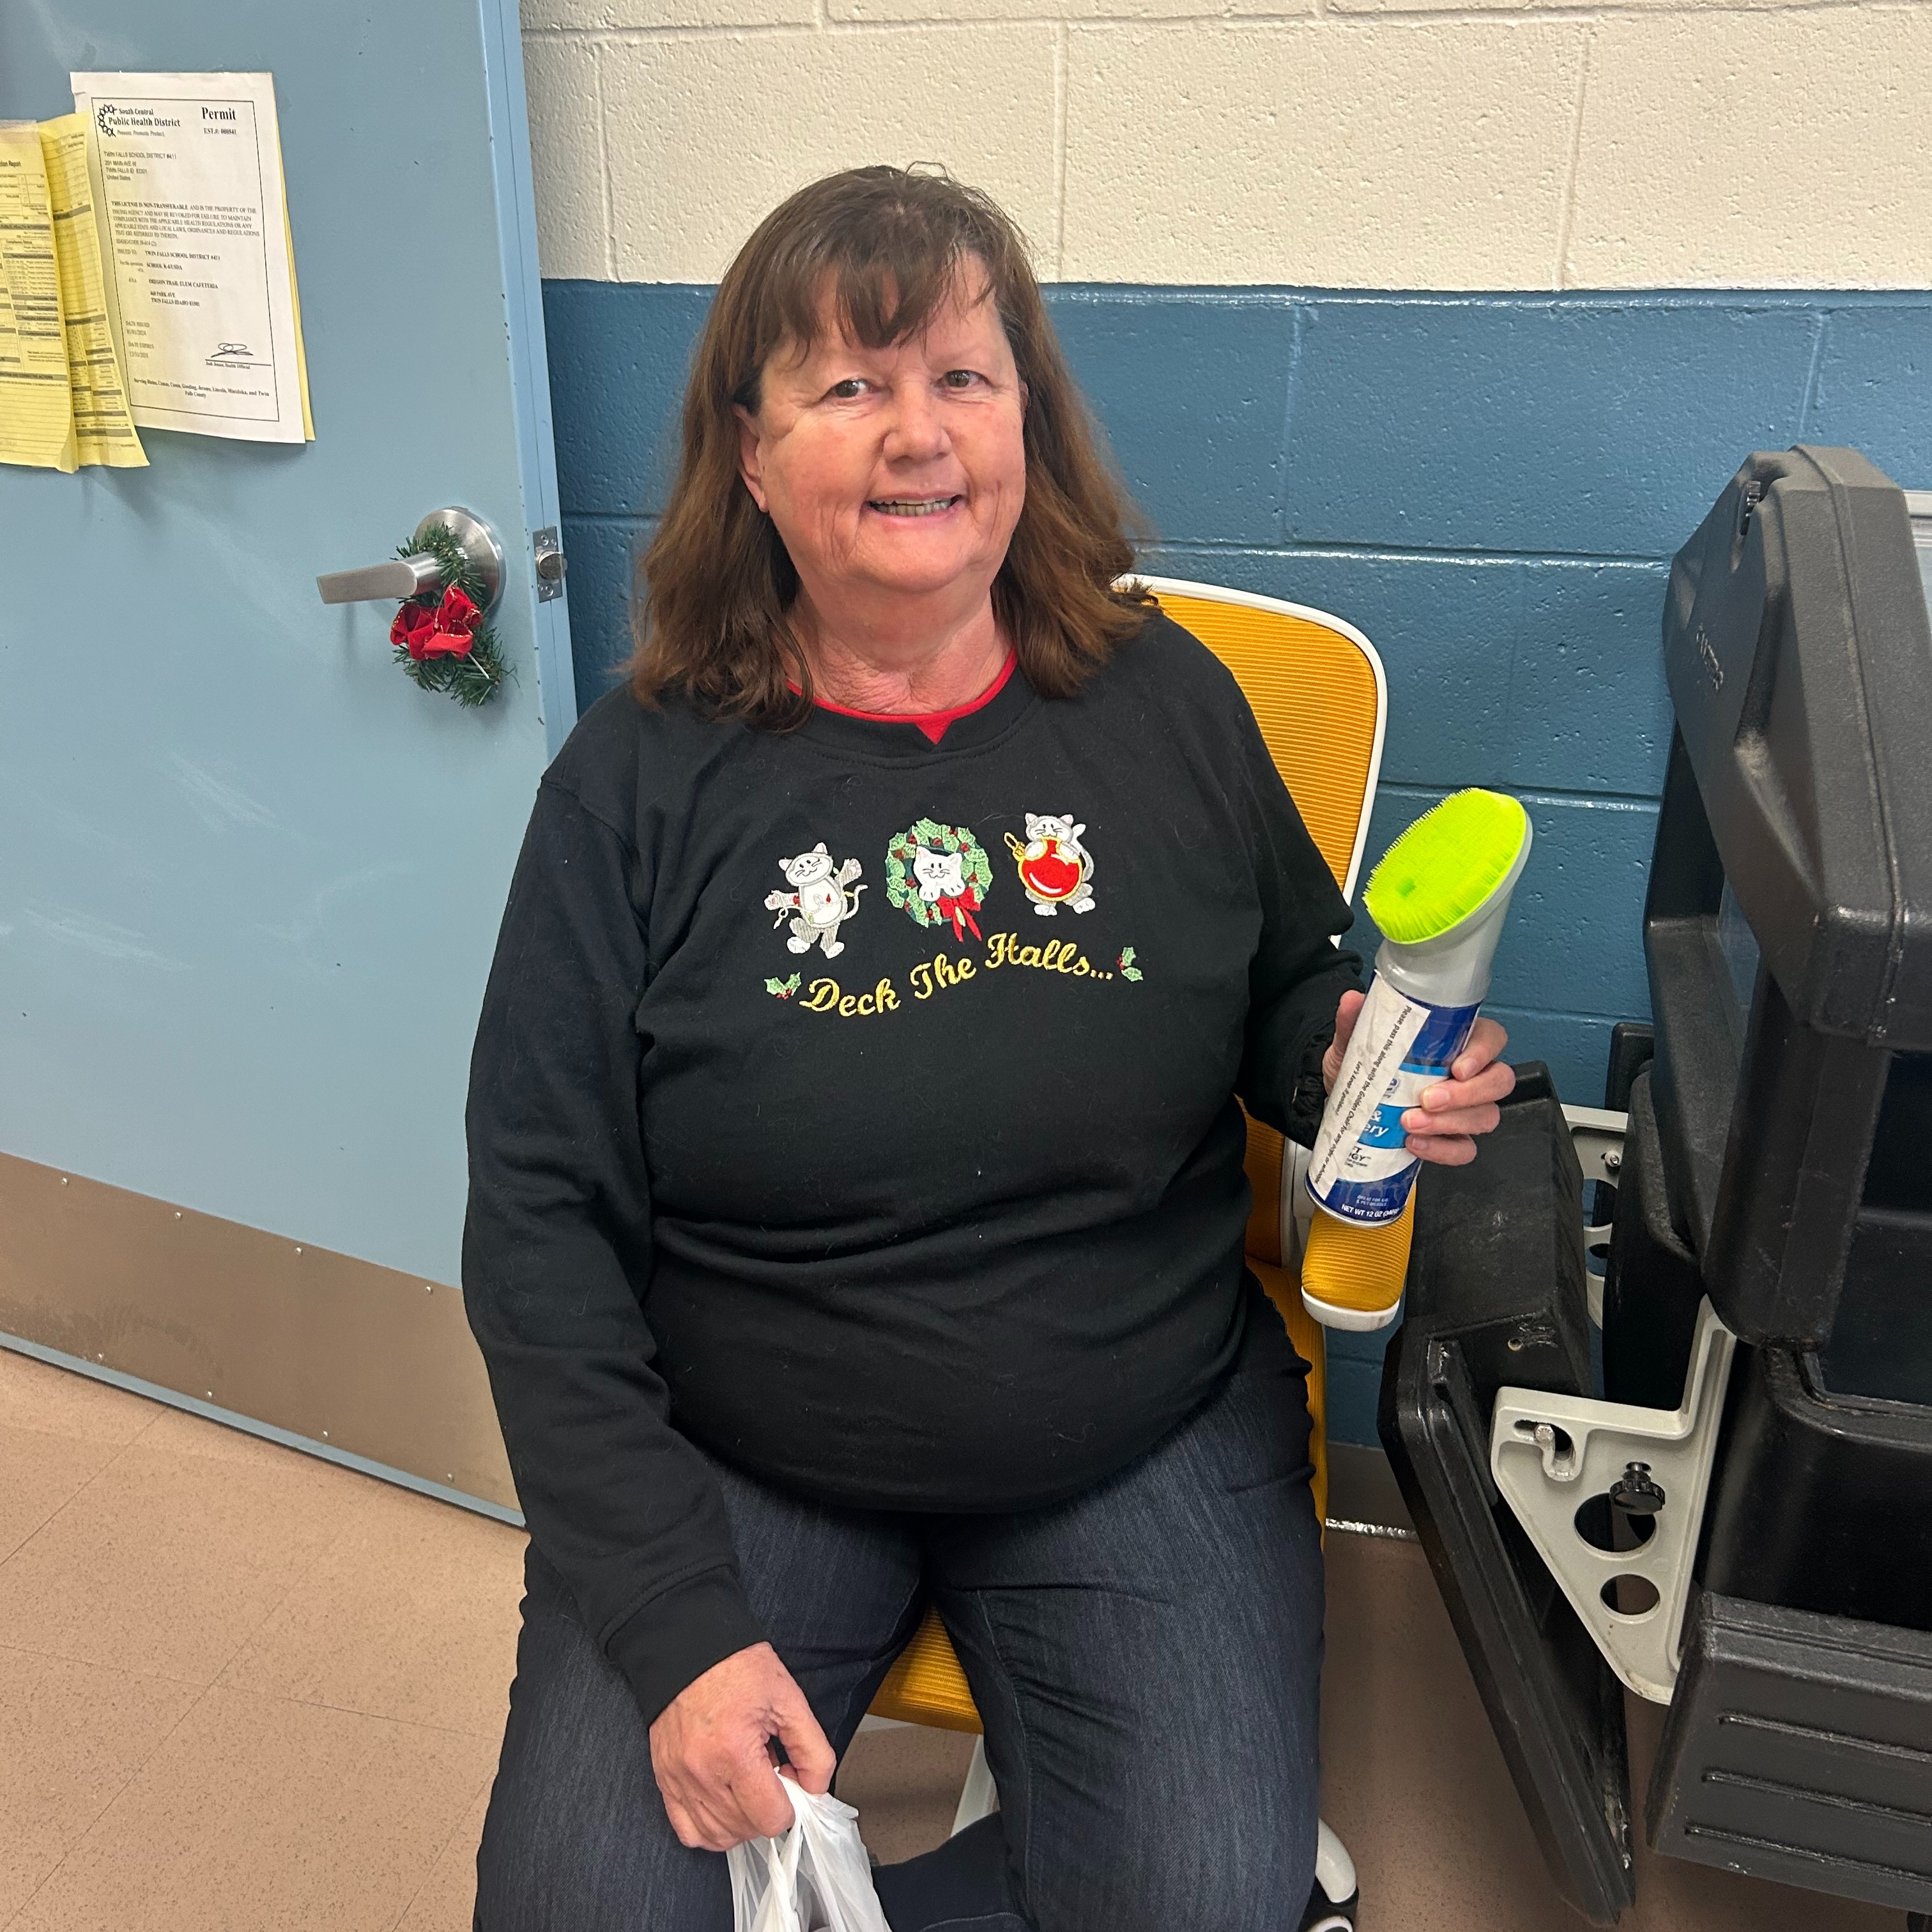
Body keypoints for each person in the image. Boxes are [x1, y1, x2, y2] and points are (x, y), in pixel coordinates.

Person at [464, 165, 1514, 1932]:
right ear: (748, 447)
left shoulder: (1164, 702)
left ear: (1027, 416)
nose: (916, 434)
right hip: (746, 1445)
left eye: (964, 375)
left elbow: (1281, 983)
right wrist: (677, 1631)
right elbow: (537, 1230)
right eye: (848, 386)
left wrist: (1347, 1055)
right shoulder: (635, 782)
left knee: (1199, 1905)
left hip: (1137, 1423)